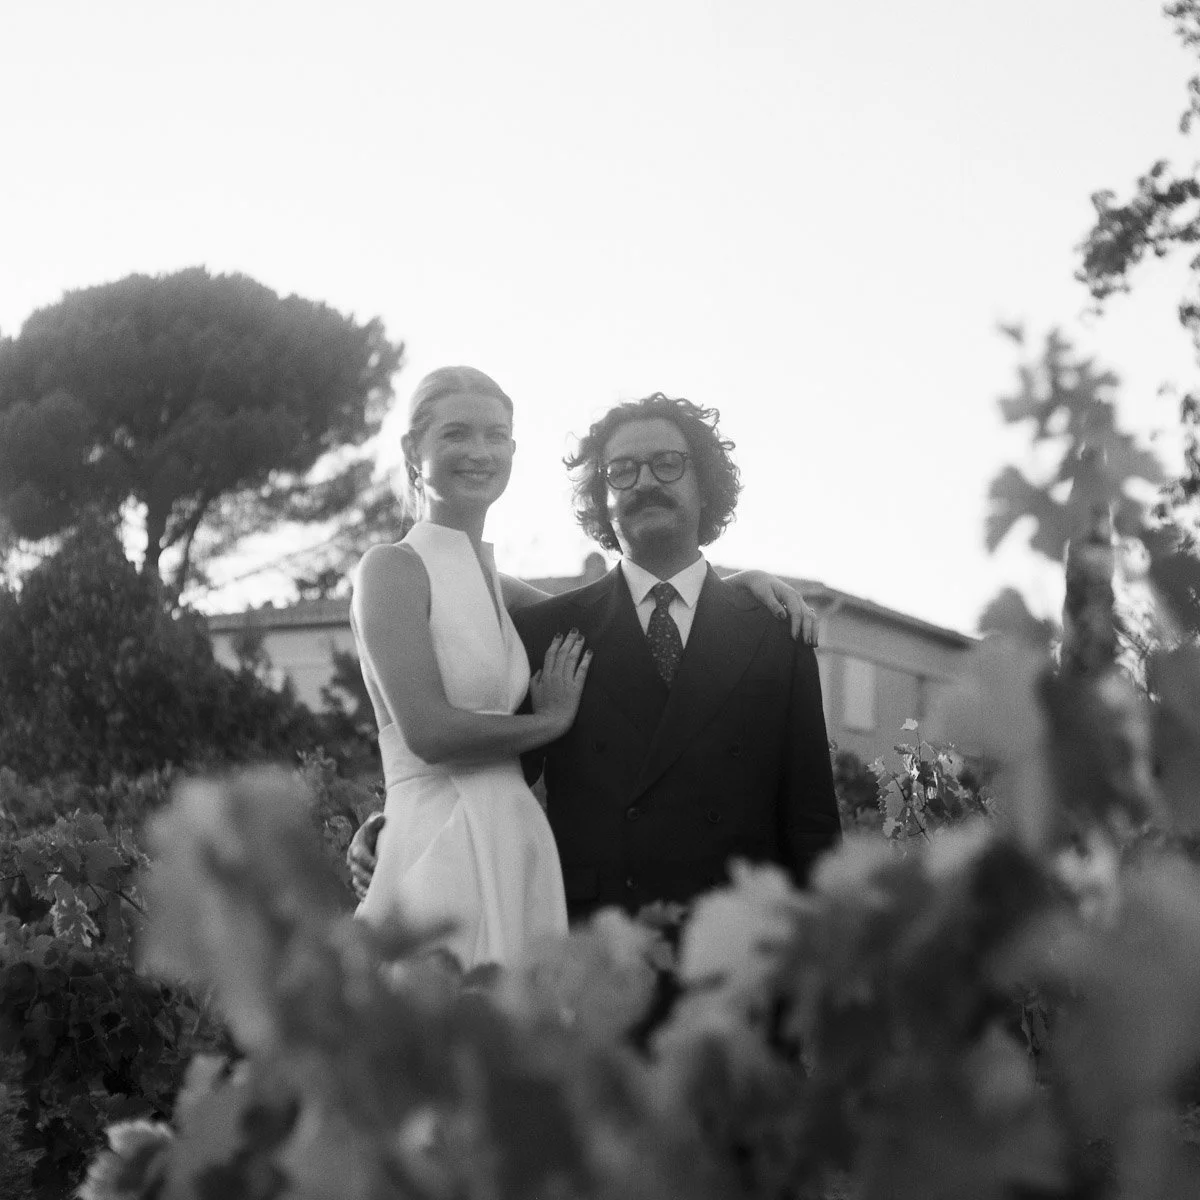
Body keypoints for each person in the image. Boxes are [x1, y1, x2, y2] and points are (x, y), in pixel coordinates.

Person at [350, 370, 816, 966]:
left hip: (516, 847)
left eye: (495, 435)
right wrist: (548, 723)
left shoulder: (502, 590)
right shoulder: (390, 568)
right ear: (413, 450)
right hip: (444, 847)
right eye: (456, 434)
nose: (479, 451)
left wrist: (731, 588)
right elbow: (428, 732)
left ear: (513, 449)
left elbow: (625, 620)